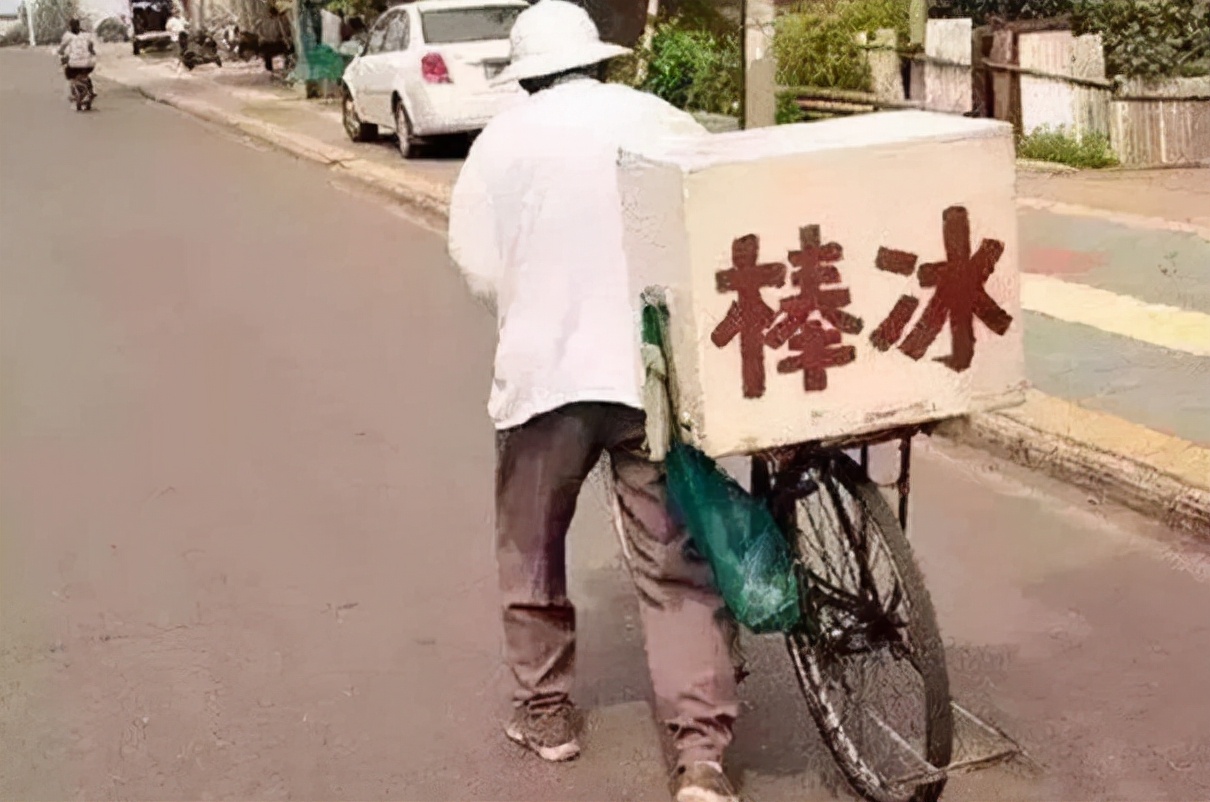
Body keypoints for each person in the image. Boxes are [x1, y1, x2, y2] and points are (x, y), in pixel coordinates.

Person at [447, 3, 742, 801]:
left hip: (545, 381)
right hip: (650, 377)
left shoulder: (498, 145)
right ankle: (702, 760)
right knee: (675, 567)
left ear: (528, 76)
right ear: (602, 61)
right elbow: (719, 215)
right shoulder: (662, 117)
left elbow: (477, 266)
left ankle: (548, 715)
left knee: (532, 549)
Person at [58, 19, 97, 105]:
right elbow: (91, 48)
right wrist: (92, 53)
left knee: (69, 72)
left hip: (74, 64)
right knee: (86, 74)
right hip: (88, 64)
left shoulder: (67, 36)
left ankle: (75, 91)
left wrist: (61, 55)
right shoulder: (86, 35)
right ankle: (90, 91)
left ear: (70, 26)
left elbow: (61, 49)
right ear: (79, 25)